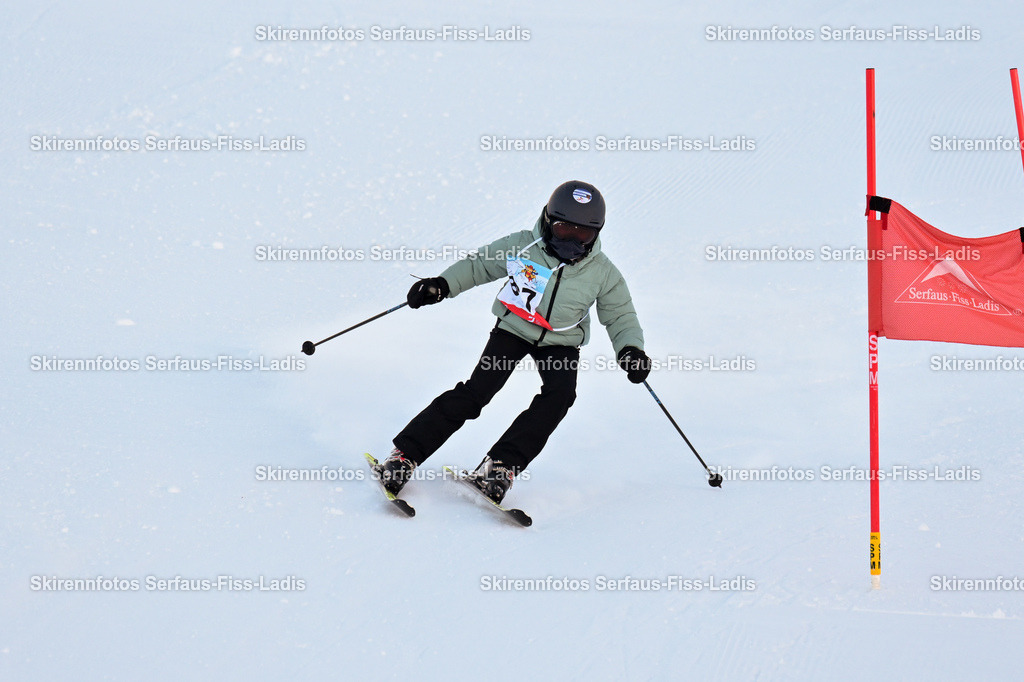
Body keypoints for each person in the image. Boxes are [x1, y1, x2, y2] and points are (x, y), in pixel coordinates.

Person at [378, 180, 651, 503]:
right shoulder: (524, 246)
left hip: (560, 341)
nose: (573, 241)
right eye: (564, 230)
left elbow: (620, 314)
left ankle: (500, 467)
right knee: (477, 393)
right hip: (514, 329)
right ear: (549, 221)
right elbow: (480, 265)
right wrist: (442, 284)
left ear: (597, 233)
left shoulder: (603, 272)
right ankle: (403, 456)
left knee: (560, 397)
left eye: (583, 235)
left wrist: (630, 350)